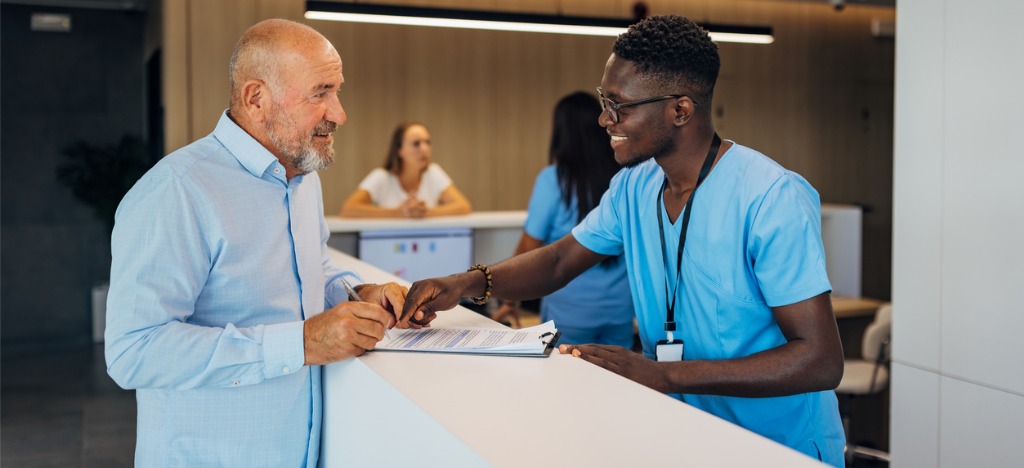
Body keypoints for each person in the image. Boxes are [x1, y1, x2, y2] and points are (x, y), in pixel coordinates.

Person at [400, 15, 846, 466]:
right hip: (685, 435)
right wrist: (467, 283)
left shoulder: (771, 197)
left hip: (776, 446)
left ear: (680, 110)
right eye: (602, 100)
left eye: (619, 105)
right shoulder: (635, 186)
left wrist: (664, 375)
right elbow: (560, 261)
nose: (603, 119)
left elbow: (820, 361)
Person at [105, 19, 410, 466]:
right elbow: (134, 350)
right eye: (320, 93)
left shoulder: (303, 178)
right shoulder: (176, 191)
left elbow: (312, 270)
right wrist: (302, 343)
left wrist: (357, 291)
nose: (339, 113)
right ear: (256, 98)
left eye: (337, 91)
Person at [492, 92, 634, 347]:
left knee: (566, 385)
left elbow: (528, 247)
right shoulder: (624, 177)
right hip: (620, 310)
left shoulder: (554, 180)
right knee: (614, 384)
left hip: (569, 313)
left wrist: (509, 297)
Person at [340, 122, 472, 218]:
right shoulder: (382, 176)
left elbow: (463, 206)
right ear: (399, 150)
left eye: (427, 142)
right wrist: (398, 213)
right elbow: (348, 209)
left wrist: (426, 212)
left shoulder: (433, 173)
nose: (424, 149)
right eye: (416, 144)